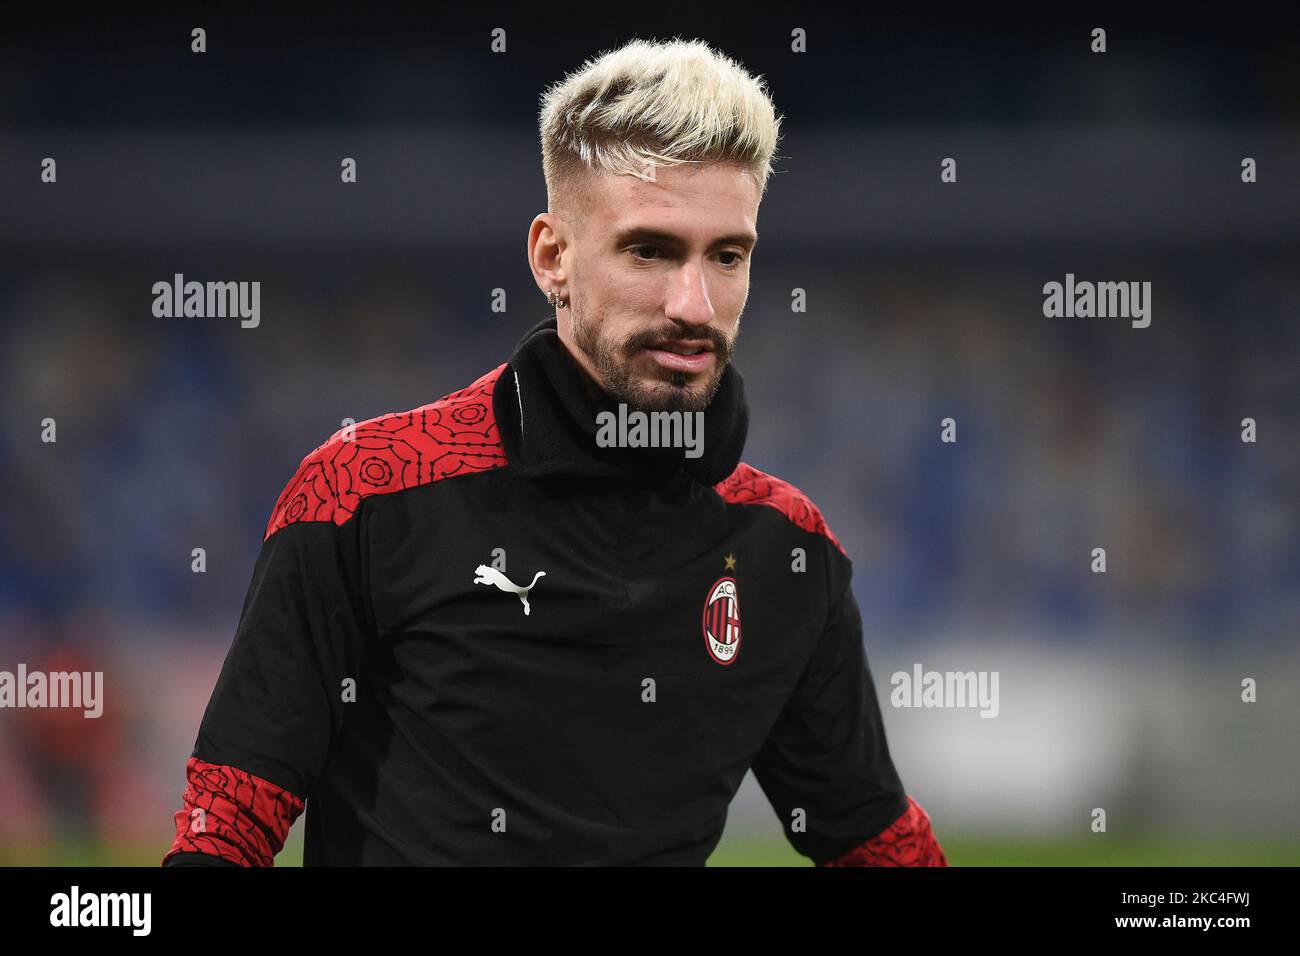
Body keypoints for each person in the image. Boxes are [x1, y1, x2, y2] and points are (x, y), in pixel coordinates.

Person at [163, 37, 947, 867]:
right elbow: (226, 827)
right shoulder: (365, 492)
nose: (695, 302)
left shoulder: (788, 552)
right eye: (650, 250)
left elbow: (879, 846)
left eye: (728, 256)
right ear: (553, 258)